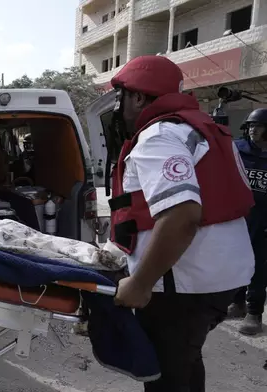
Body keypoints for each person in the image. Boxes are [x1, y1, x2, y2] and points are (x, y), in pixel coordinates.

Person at [107, 56, 255, 391]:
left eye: (122, 98)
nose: (119, 110)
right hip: (221, 278)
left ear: (140, 98)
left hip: (183, 286)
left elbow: (182, 216)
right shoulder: (201, 131)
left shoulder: (158, 137)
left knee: (166, 376)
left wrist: (140, 283)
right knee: (185, 361)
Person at [228, 108, 267, 335]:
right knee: (235, 262)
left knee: (258, 267)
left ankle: (254, 312)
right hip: (240, 216)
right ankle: (238, 302)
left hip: (262, 220)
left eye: (259, 126)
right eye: (251, 126)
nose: (254, 130)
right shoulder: (238, 150)